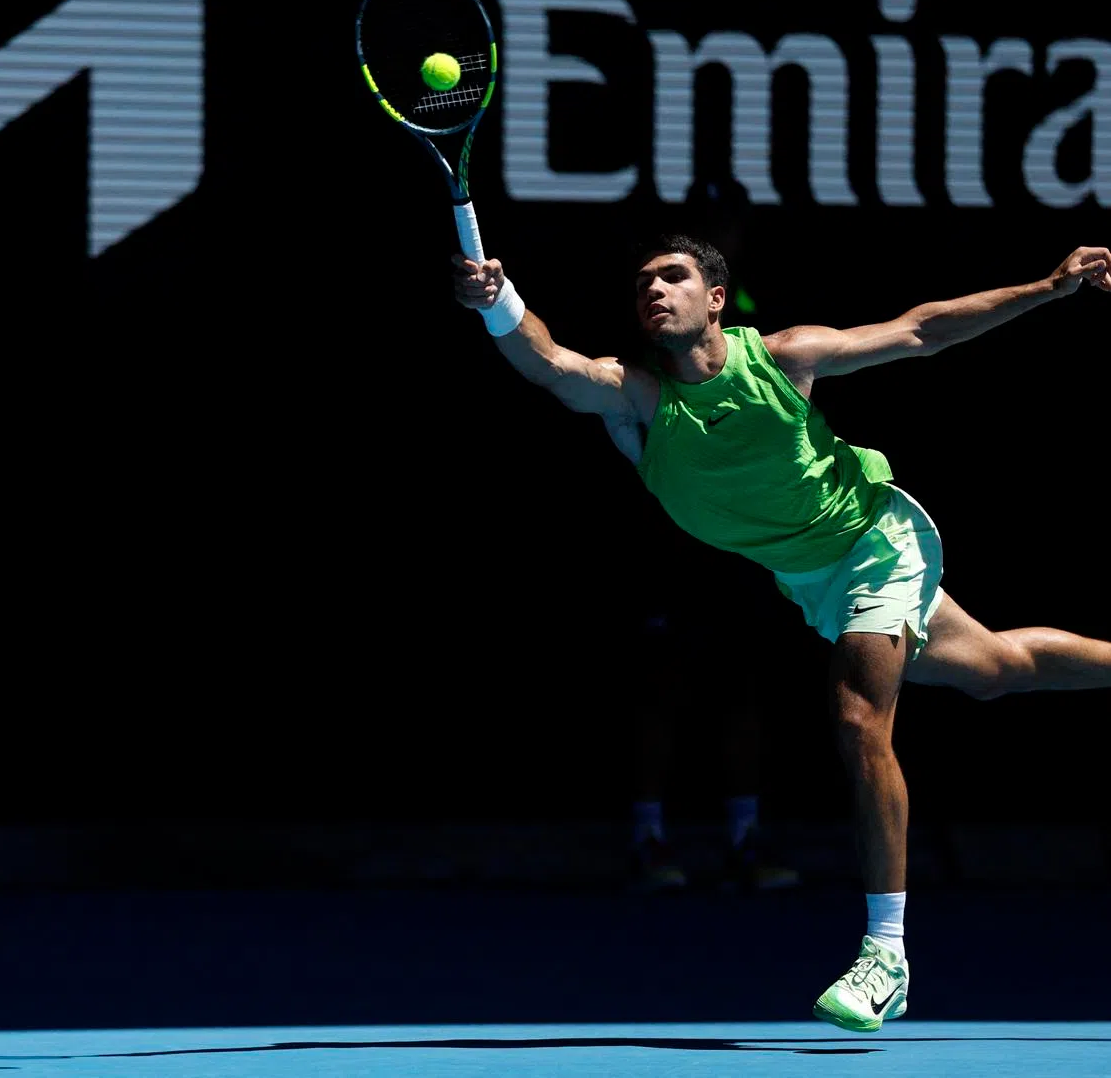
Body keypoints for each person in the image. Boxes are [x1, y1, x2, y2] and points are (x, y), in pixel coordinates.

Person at [451, 232, 1111, 1032]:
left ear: (716, 299)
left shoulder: (786, 359)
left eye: (674, 276)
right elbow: (552, 363)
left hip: (875, 540)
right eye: (642, 283)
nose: (654, 290)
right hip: (815, 584)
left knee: (858, 717)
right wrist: (501, 307)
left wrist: (1047, 286)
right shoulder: (637, 395)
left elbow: (921, 329)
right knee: (997, 667)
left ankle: (887, 954)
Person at [625, 175, 802, 895]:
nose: (723, 231)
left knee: (743, 687)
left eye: (731, 221)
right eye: (711, 220)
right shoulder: (658, 310)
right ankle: (647, 836)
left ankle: (744, 837)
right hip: (671, 532)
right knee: (663, 686)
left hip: (748, 536)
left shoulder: (756, 318)